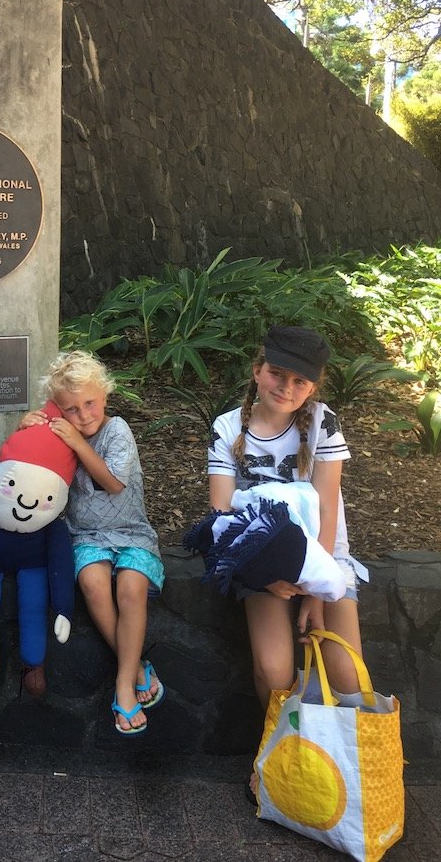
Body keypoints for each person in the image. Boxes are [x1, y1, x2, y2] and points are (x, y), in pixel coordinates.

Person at [207, 325, 368, 799]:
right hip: (258, 561)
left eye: (300, 382)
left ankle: (355, 770)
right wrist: (270, 577)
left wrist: (316, 592)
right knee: (276, 670)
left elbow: (327, 505)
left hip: (323, 559)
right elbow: (220, 515)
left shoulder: (322, 422)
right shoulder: (226, 428)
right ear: (258, 371)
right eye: (277, 374)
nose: (287, 388)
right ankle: (281, 758)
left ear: (313, 387)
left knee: (345, 670)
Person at [22, 351, 165, 734]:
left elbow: (113, 483)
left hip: (132, 531)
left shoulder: (117, 429)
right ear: (57, 409)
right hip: (85, 535)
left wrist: (76, 441)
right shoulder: (59, 433)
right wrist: (28, 430)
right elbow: (27, 468)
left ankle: (123, 684)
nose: (84, 415)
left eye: (90, 402)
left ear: (104, 395)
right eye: (71, 409)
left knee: (131, 587)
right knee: (92, 583)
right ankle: (134, 668)